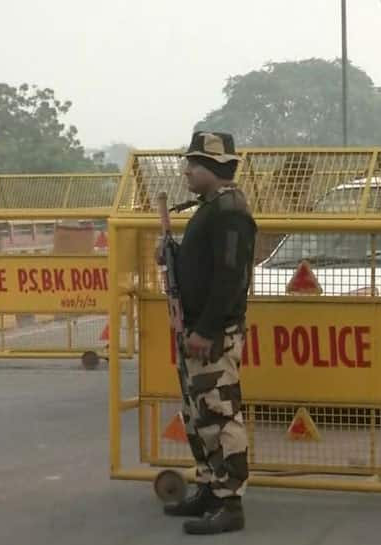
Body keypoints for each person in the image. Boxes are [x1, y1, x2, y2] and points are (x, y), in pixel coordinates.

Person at [158, 132, 257, 535]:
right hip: (195, 331)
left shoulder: (230, 213)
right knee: (199, 416)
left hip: (212, 333)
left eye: (193, 165)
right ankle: (209, 489)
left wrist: (207, 329)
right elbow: (204, 267)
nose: (186, 171)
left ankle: (230, 502)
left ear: (213, 170)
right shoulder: (210, 208)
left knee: (221, 414)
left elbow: (231, 278)